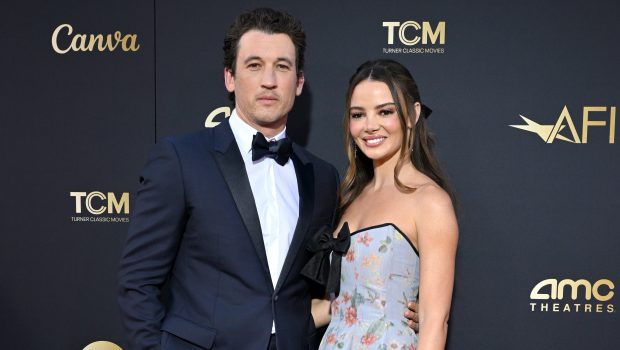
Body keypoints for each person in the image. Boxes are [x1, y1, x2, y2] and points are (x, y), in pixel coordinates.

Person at [117, 8, 419, 350]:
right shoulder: (181, 160)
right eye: (254, 65)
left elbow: (332, 283)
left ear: (299, 82)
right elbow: (137, 281)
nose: (269, 81)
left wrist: (399, 308)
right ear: (230, 78)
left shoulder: (322, 178)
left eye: (282, 66)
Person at [309, 59, 458, 350]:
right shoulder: (348, 198)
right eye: (358, 114)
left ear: (413, 114)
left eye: (385, 111)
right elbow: (334, 306)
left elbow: (434, 322)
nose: (370, 126)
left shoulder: (430, 201)